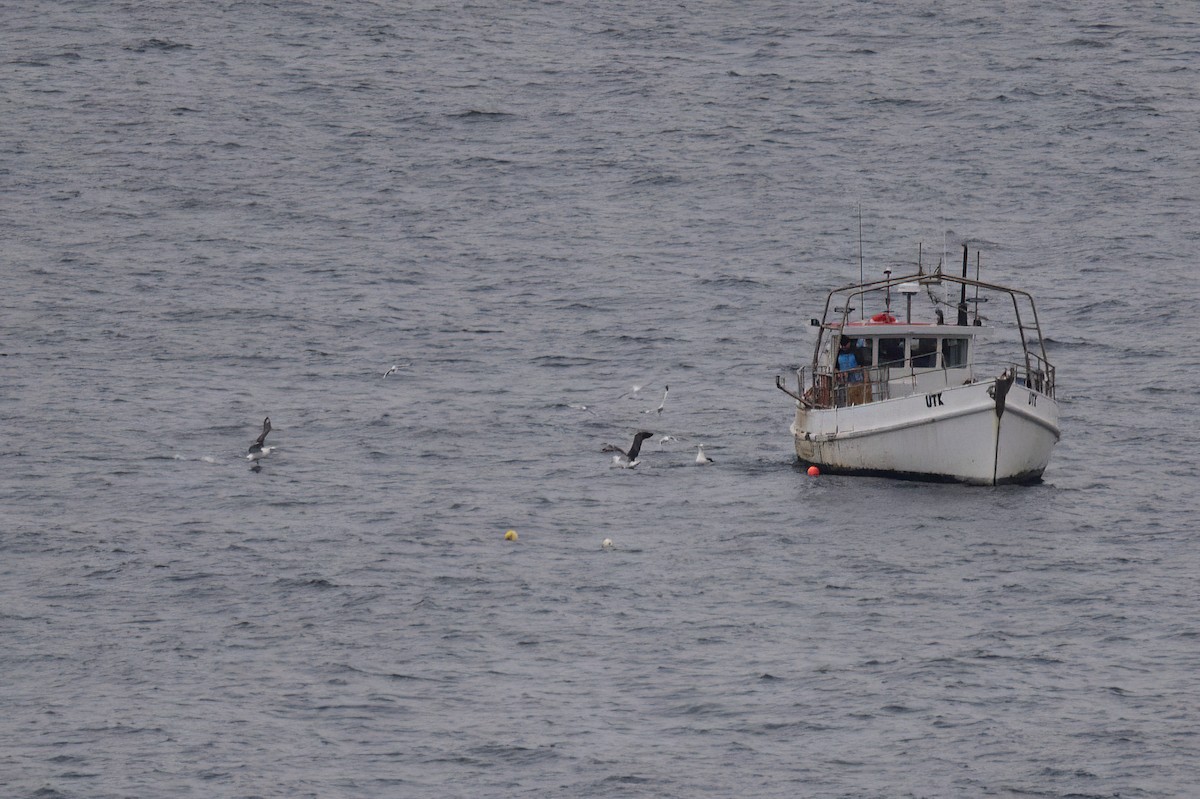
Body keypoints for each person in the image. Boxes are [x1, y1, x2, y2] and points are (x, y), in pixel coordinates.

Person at [836, 338, 870, 405]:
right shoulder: (839, 353)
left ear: (849, 343)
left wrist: (850, 371)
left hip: (856, 380)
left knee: (856, 398)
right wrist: (838, 373)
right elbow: (836, 367)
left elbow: (862, 365)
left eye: (845, 345)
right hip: (843, 381)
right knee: (844, 399)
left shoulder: (856, 352)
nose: (844, 347)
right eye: (842, 345)